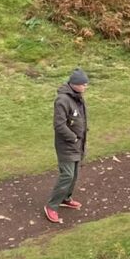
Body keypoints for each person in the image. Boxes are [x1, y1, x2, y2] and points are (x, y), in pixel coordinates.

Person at [44, 68, 88, 225]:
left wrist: (80, 140)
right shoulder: (62, 100)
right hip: (66, 146)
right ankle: (51, 206)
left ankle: (65, 198)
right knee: (67, 175)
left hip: (77, 144)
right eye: (83, 84)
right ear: (74, 84)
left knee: (74, 174)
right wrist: (74, 137)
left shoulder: (78, 97)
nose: (85, 86)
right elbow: (59, 125)